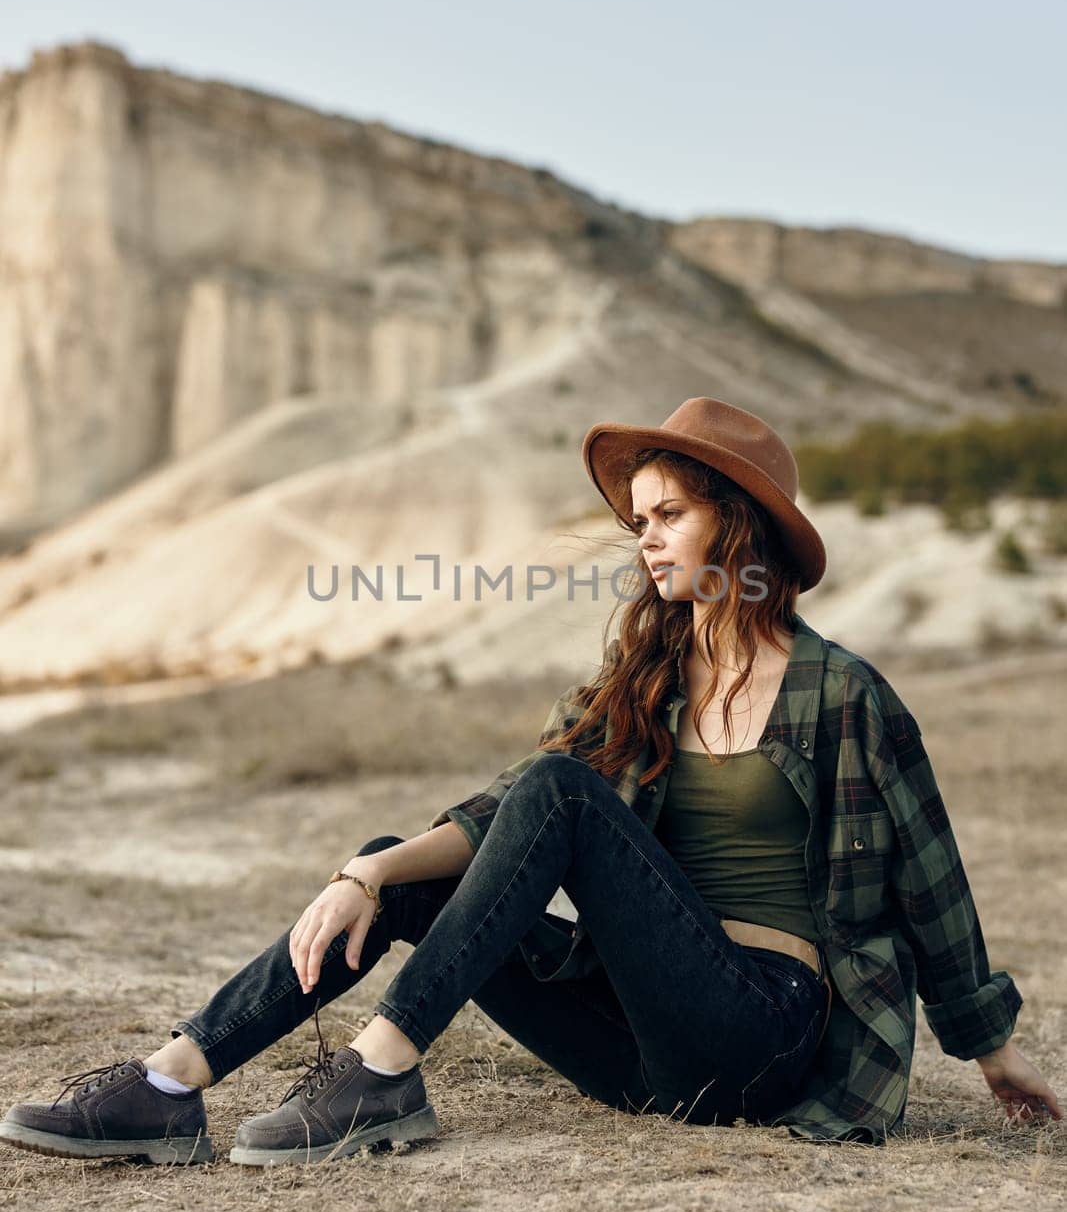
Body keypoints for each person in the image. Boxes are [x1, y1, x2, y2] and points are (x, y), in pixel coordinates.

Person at [1, 396, 1060, 1167]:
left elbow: (932, 887)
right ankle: (168, 1083)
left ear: (735, 523)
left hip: (765, 1034)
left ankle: (377, 1072)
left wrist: (992, 1052)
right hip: (639, 1055)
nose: (641, 536)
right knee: (413, 859)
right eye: (634, 519)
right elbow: (504, 804)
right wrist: (365, 872)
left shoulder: (843, 696)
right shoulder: (644, 677)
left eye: (665, 515)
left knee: (561, 790)